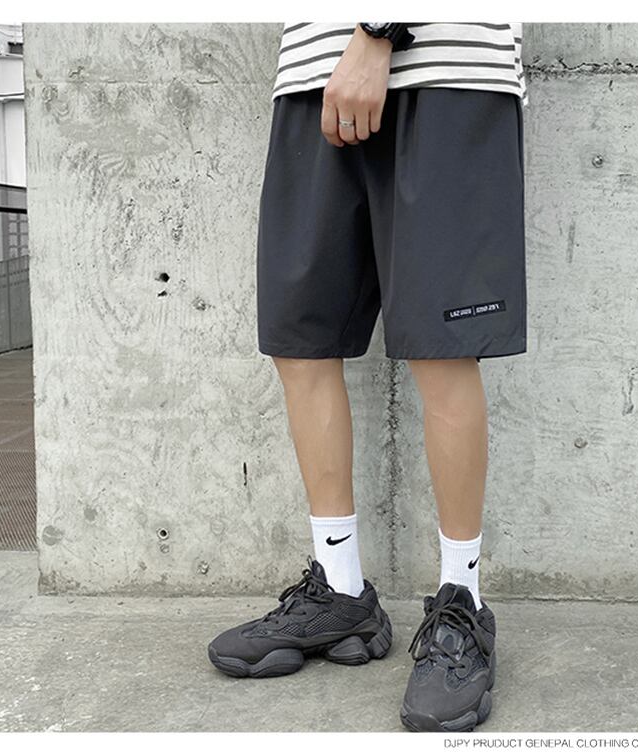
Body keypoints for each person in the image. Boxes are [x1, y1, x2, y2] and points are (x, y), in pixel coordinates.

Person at [208, 21, 527, 733]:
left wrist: (378, 31)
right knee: (302, 341)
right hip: (311, 81)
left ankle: (462, 606)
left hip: (445, 73)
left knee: (442, 349)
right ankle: (342, 592)